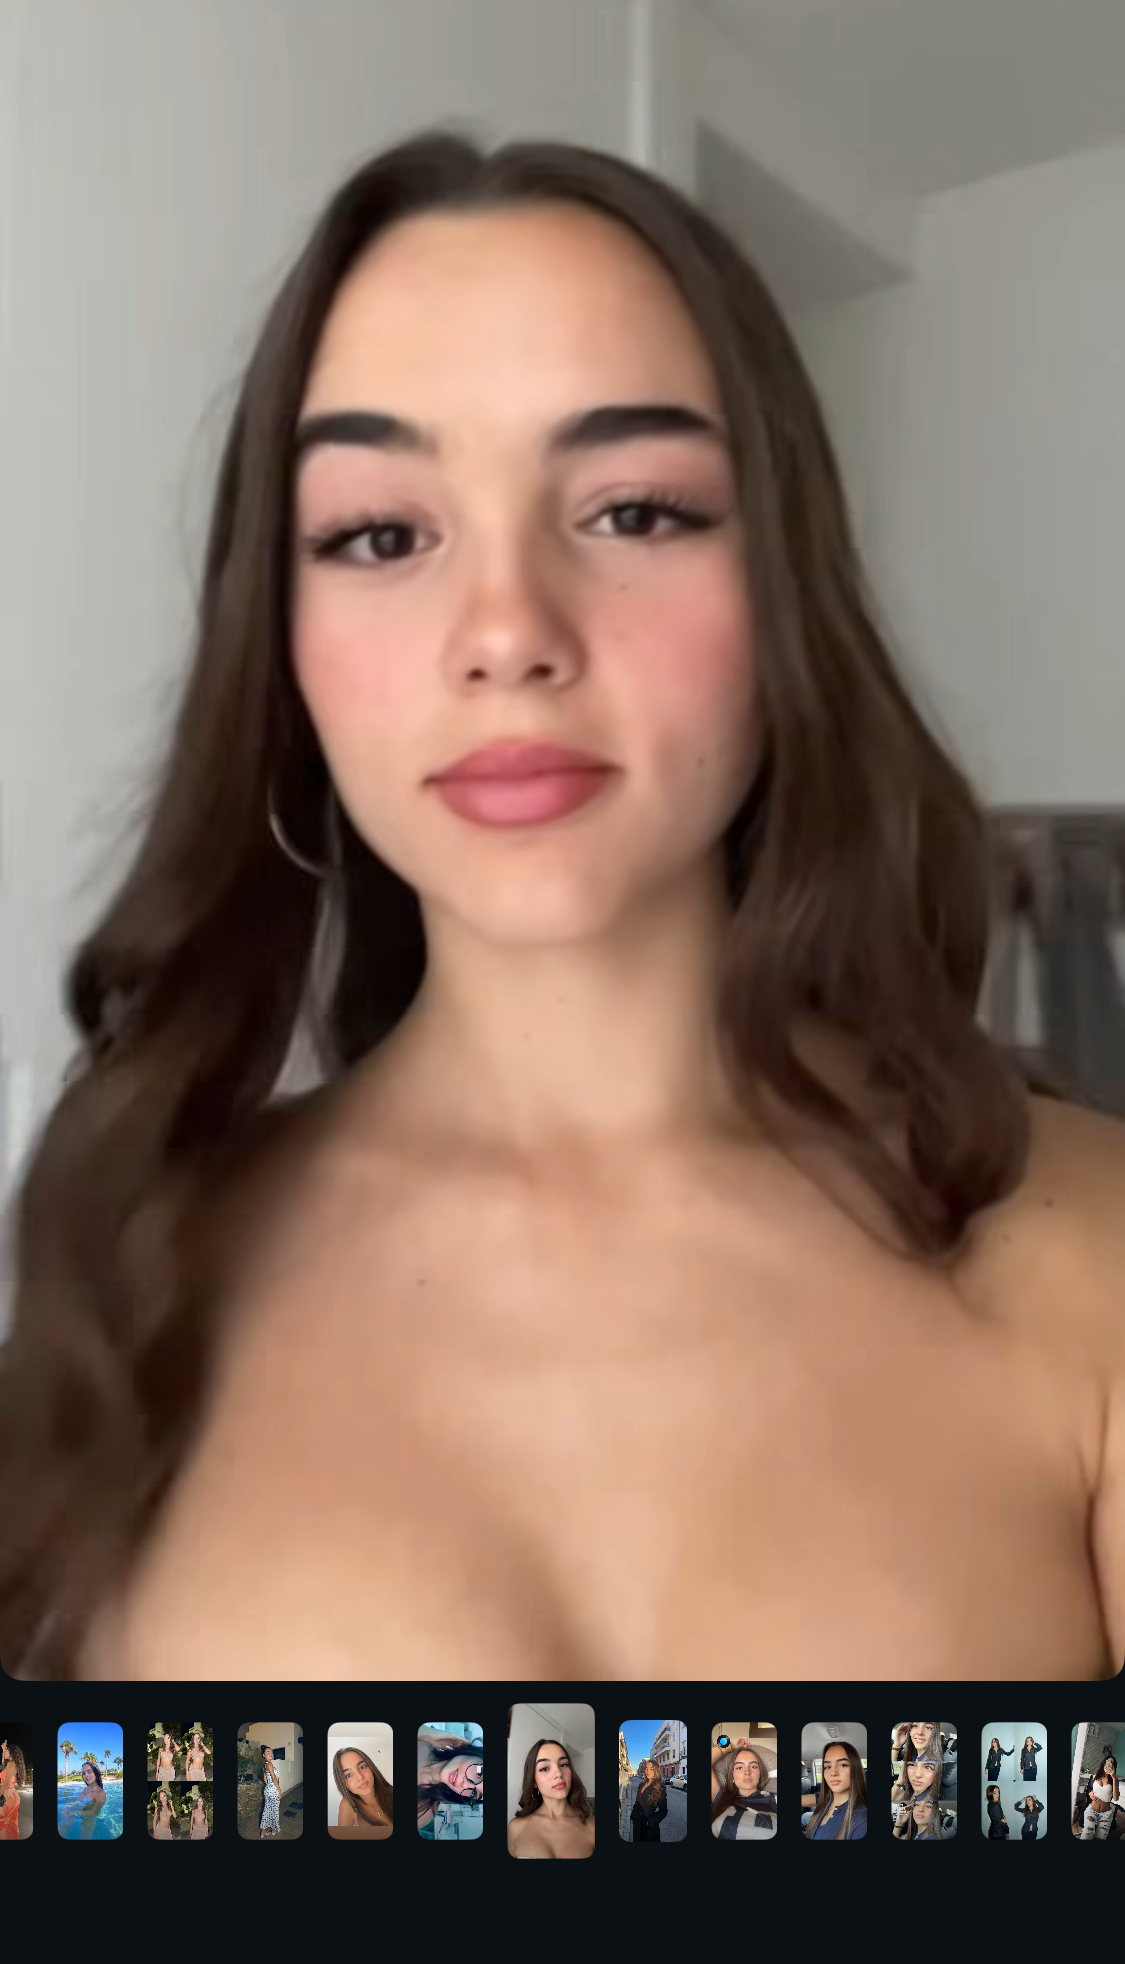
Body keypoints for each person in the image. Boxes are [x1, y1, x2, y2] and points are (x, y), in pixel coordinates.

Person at [3, 130, 1125, 1687]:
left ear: (782, 590)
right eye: (382, 535)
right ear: (282, 642)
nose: (508, 631)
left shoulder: (1090, 1263)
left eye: (634, 511)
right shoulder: (127, 1286)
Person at [508, 1737, 594, 1858]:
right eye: (544, 1768)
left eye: (563, 1764)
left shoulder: (592, 1826)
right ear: (534, 1781)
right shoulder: (515, 1827)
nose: (559, 1773)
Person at [417, 1729, 483, 1833]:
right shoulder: (423, 1740)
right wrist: (428, 1733)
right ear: (476, 1754)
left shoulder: (423, 1814)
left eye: (474, 1793)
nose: (466, 1785)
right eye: (479, 1774)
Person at [711, 1740, 777, 1838]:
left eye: (753, 1766)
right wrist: (730, 1745)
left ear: (760, 1773)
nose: (747, 1772)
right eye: (739, 1768)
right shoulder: (722, 1798)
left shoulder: (773, 1799)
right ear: (732, 1775)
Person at [804, 1741, 868, 1840]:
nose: (833, 1773)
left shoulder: (862, 1821)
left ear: (855, 1769)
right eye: (827, 1767)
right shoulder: (826, 1799)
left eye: (843, 1765)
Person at [333, 1744, 393, 1835]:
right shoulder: (348, 1805)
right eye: (348, 1775)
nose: (360, 1777)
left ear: (371, 1767)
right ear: (342, 1782)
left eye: (362, 1767)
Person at [892, 1756, 947, 1839]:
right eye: (917, 1805)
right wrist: (898, 1823)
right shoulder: (916, 1832)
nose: (920, 1809)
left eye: (929, 1806)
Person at [60, 1758, 106, 1839]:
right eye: (83, 1773)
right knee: (60, 1828)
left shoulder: (100, 1793)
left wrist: (74, 1812)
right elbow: (76, 1800)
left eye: (89, 1772)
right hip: (75, 1812)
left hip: (88, 1819)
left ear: (96, 1773)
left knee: (84, 1837)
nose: (86, 1775)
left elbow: (94, 1813)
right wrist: (66, 1806)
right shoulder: (85, 1789)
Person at [630, 1756, 668, 1844]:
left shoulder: (659, 1788)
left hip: (649, 1828)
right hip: (637, 1824)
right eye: (646, 1768)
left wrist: (651, 1821)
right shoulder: (641, 1785)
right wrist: (633, 1814)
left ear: (656, 1771)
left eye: (651, 1769)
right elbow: (637, 1802)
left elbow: (663, 1811)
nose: (648, 1771)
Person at [1081, 1755, 1118, 1839]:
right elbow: (1091, 1790)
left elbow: (1115, 1798)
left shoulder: (1114, 1780)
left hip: (1106, 1815)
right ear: (1104, 1763)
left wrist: (1114, 1778)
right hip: (1092, 1811)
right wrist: (1090, 1794)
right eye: (1108, 1762)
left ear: (1114, 1766)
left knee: (1100, 1839)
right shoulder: (1095, 1776)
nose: (1109, 1765)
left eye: (1112, 1763)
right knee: (1087, 1835)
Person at [0, 1739, 25, 1841]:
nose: (4, 1752)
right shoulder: (12, 1763)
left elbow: (6, 1784)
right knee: (10, 1824)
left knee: (4, 1823)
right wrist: (3, 1750)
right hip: (12, 1795)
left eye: (6, 1750)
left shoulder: (11, 1763)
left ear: (12, 1752)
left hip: (8, 1796)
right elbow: (3, 1763)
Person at [259, 1745, 281, 1839]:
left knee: (267, 1809)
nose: (270, 1753)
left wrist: (269, 1786)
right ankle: (274, 1829)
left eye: (271, 1752)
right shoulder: (270, 1764)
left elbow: (265, 1779)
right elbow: (274, 1778)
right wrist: (279, 1790)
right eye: (268, 1752)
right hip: (273, 1790)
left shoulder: (265, 1764)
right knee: (274, 1810)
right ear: (264, 1755)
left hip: (267, 1790)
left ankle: (263, 1830)